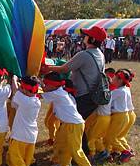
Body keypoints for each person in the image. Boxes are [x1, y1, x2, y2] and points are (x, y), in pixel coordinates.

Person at [44, 26, 107, 156]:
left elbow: (64, 69)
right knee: (77, 124)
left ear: (92, 39)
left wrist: (46, 67)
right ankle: (77, 151)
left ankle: (80, 153)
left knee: (73, 124)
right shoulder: (100, 54)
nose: (84, 36)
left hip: (83, 96)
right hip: (93, 96)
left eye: (87, 35)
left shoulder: (84, 54)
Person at [41, 72, 100, 166]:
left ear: (53, 85)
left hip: (74, 125)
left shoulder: (58, 93)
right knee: (63, 144)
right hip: (67, 124)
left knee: (75, 150)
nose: (44, 86)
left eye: (46, 84)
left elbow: (37, 94)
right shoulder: (58, 91)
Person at [7, 76, 41, 166]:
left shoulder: (23, 99)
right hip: (31, 136)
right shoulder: (36, 101)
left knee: (15, 156)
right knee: (26, 158)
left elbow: (15, 90)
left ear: (25, 90)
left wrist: (14, 80)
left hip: (20, 135)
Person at [104, 69, 134, 163]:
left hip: (119, 116)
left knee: (110, 137)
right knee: (117, 136)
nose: (113, 79)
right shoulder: (125, 89)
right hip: (124, 115)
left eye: (115, 78)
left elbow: (106, 98)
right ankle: (124, 150)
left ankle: (125, 152)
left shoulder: (118, 91)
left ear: (120, 80)